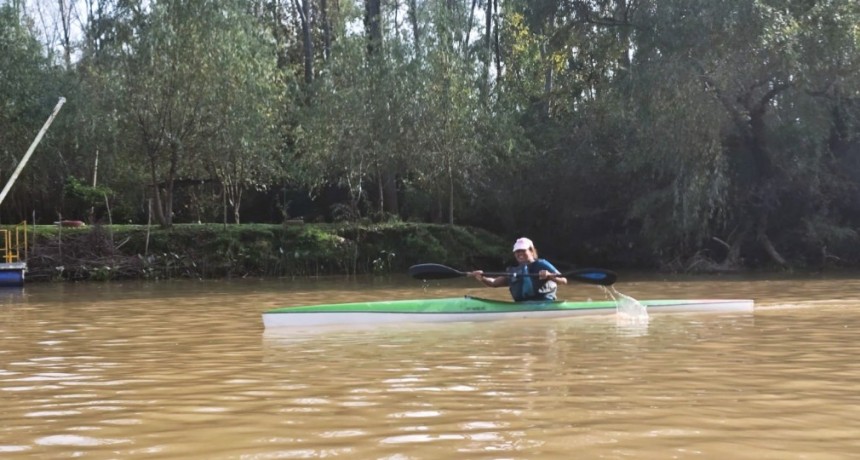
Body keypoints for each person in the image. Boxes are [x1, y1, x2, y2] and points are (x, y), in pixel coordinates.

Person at [468, 237, 567, 301]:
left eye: (523, 250)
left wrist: (550, 276)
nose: (519, 253)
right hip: (521, 306)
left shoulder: (541, 264)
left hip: (545, 305)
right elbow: (494, 283)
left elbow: (564, 280)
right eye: (517, 251)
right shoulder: (513, 271)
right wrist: (482, 278)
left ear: (531, 251)